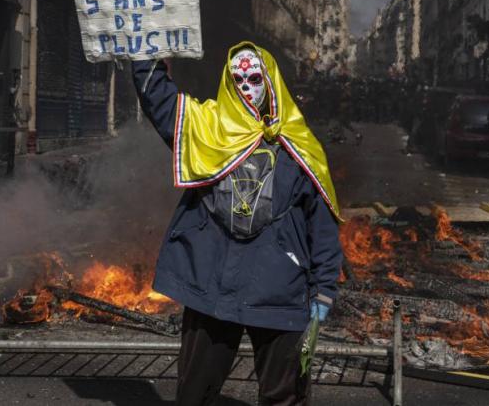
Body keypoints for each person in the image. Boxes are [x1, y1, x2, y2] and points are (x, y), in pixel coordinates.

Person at [133, 42, 343, 405]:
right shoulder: (206, 131)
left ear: (271, 83)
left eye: (255, 78)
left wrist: (323, 286)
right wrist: (143, 52)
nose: (247, 86)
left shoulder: (299, 145)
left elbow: (320, 222)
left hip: (280, 290)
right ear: (229, 83)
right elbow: (159, 100)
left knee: (285, 397)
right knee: (195, 393)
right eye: (239, 78)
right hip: (212, 287)